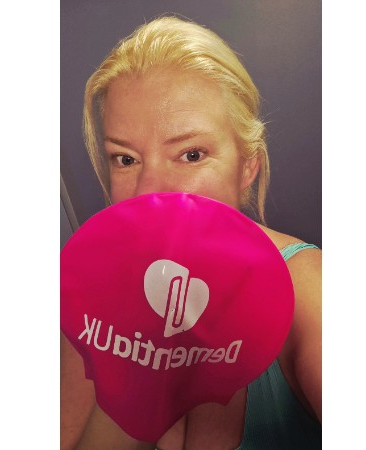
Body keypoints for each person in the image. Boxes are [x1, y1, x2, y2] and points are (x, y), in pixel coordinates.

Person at [61, 16, 322, 450]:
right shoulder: (91, 300)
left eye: (191, 154)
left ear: (247, 167)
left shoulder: (311, 292)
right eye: (126, 159)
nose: (149, 193)